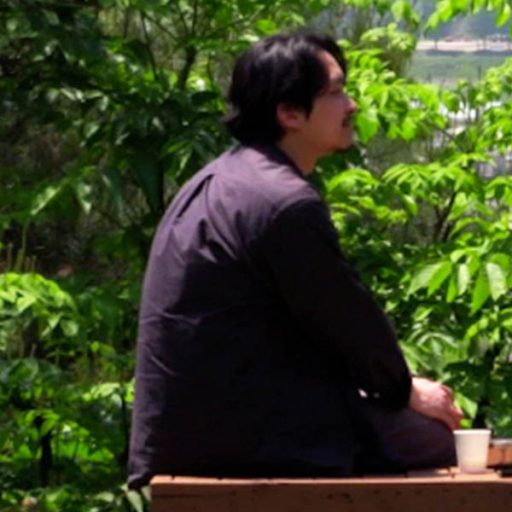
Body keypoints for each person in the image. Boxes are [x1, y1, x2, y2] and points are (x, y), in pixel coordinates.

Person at [128, 33, 462, 488]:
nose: (353, 105)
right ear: (289, 112)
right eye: (336, 91)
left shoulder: (216, 180)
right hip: (251, 438)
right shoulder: (284, 203)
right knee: (440, 440)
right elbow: (349, 323)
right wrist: (404, 390)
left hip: (181, 432)